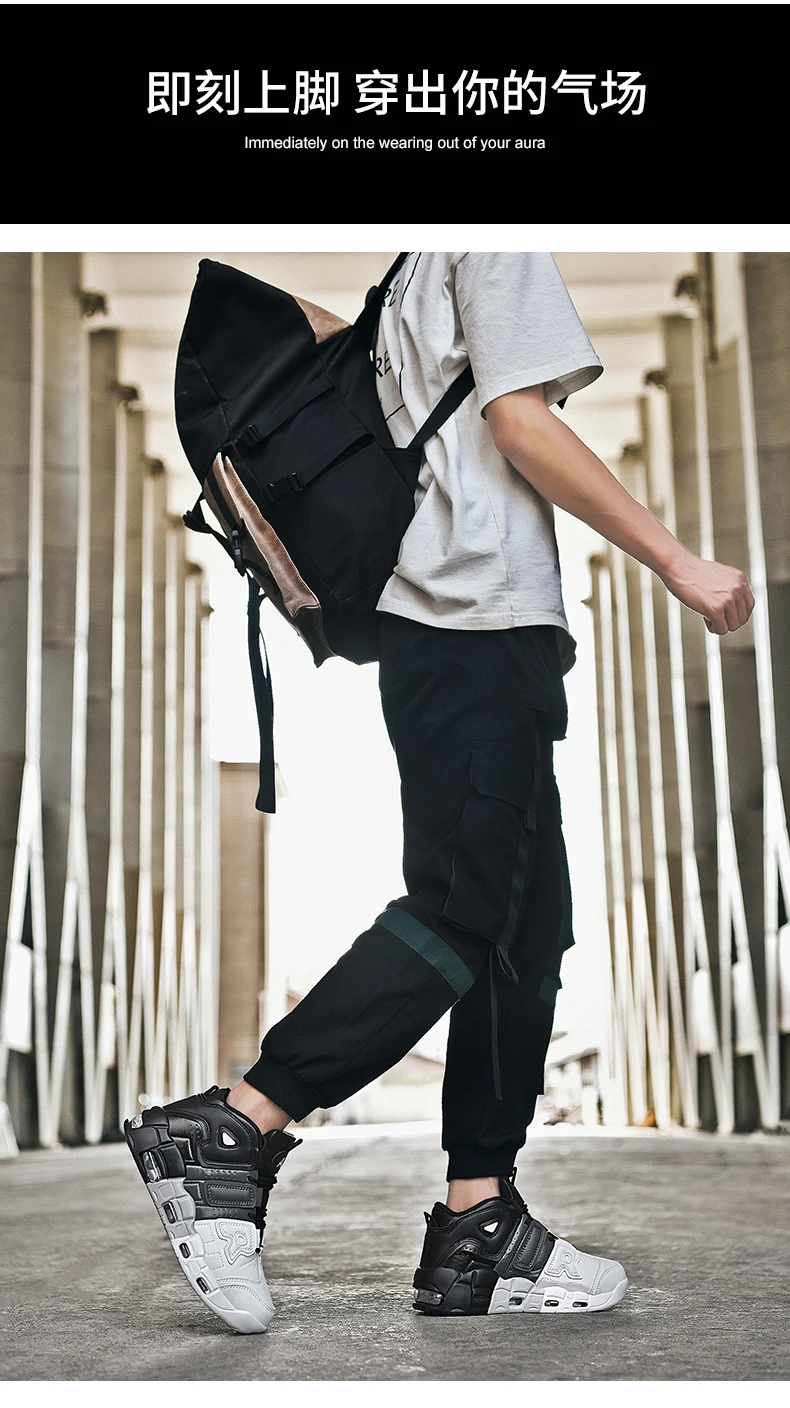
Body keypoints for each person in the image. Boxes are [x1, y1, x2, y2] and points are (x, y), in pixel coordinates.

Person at [125, 252, 754, 1333]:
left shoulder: (420, 269)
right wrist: (676, 561)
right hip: (476, 630)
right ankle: (236, 1123)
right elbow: (521, 424)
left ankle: (478, 1224)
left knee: (524, 929)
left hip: (454, 636)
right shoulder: (492, 244)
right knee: (462, 908)